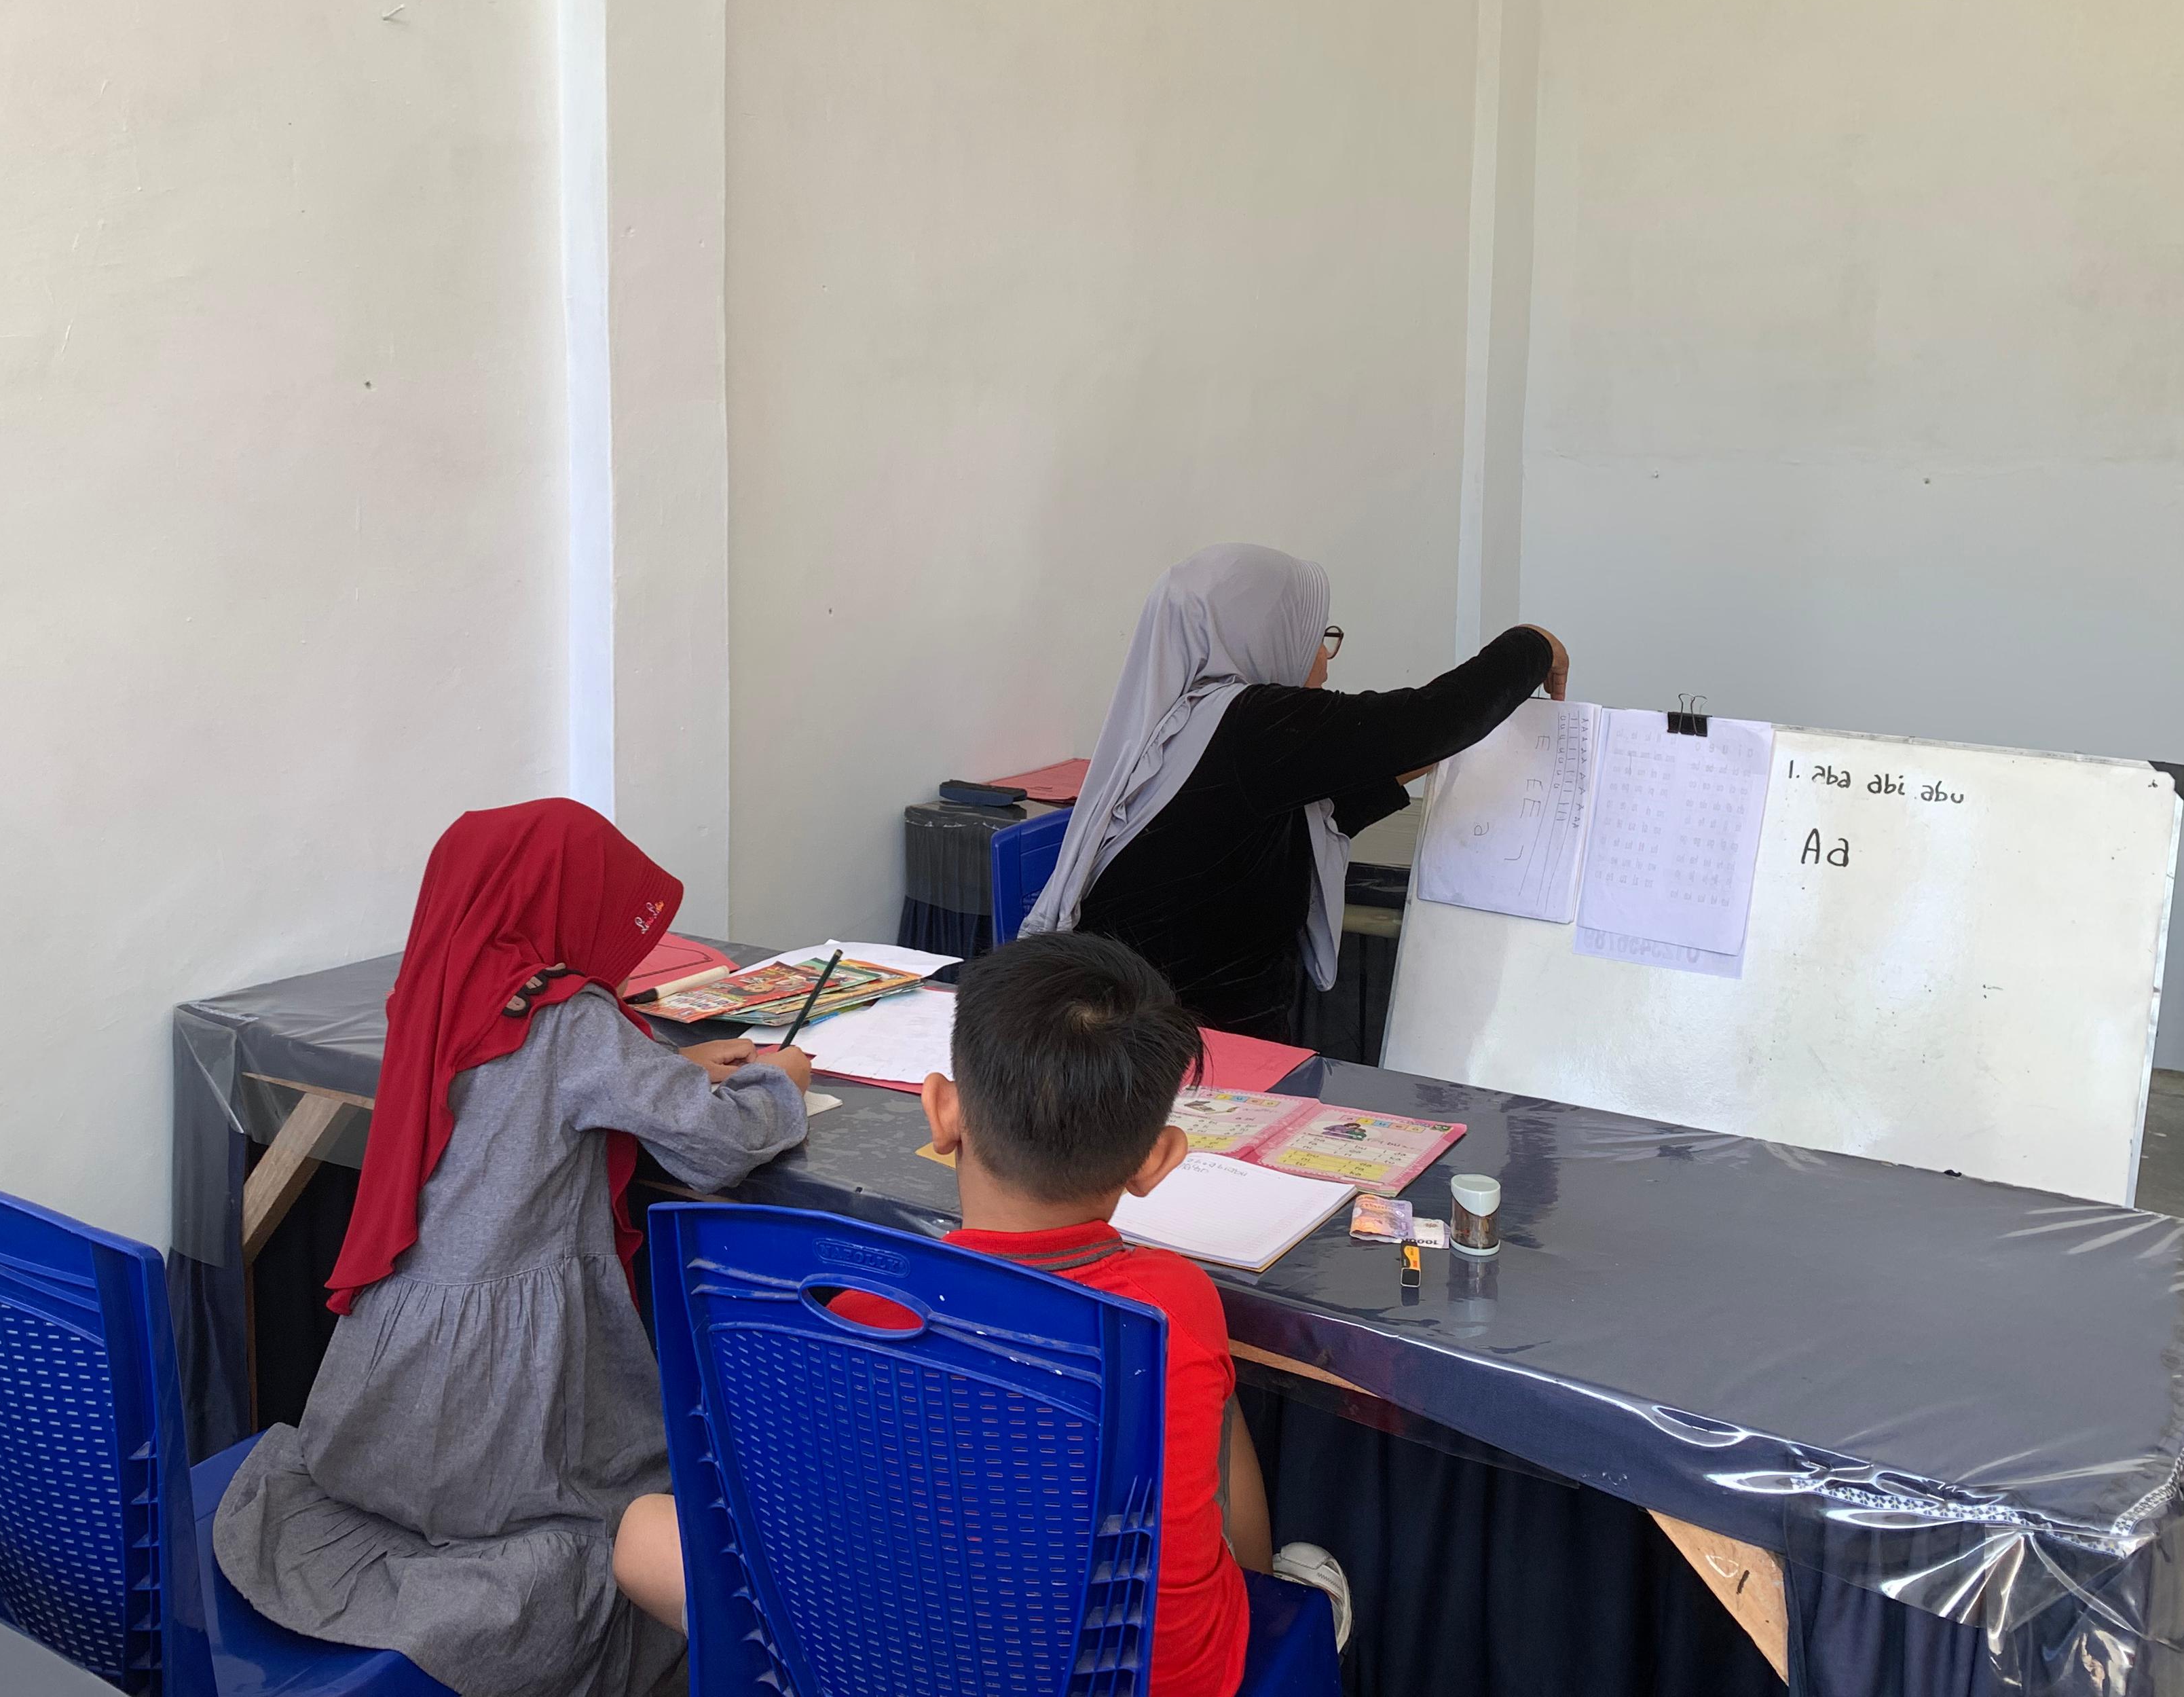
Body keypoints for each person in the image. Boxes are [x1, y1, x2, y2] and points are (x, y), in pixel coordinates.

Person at [613, 932, 1349, 1697]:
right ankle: (1267, 1592)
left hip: (878, 1659)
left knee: (641, 1535)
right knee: (1210, 1411)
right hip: (1135, 1679)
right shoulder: (1173, 1303)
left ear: (942, 1112)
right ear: (1156, 1159)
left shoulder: (853, 1315)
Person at [212, 799, 813, 1697]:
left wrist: (662, 1067)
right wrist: (780, 1082)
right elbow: (715, 1144)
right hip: (502, 1393)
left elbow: (521, 1089)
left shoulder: (440, 985)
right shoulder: (571, 1020)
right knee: (620, 1506)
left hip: (394, 1362)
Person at [1024, 543, 1567, 1040]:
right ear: (1265, 631)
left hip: (1139, 1031)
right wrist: (1533, 645)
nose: (1325, 658)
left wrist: (1450, 744)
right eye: (1317, 634)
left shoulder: (1191, 726)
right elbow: (1430, 719)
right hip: (1181, 1055)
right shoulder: (1250, 723)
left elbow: (1326, 806)